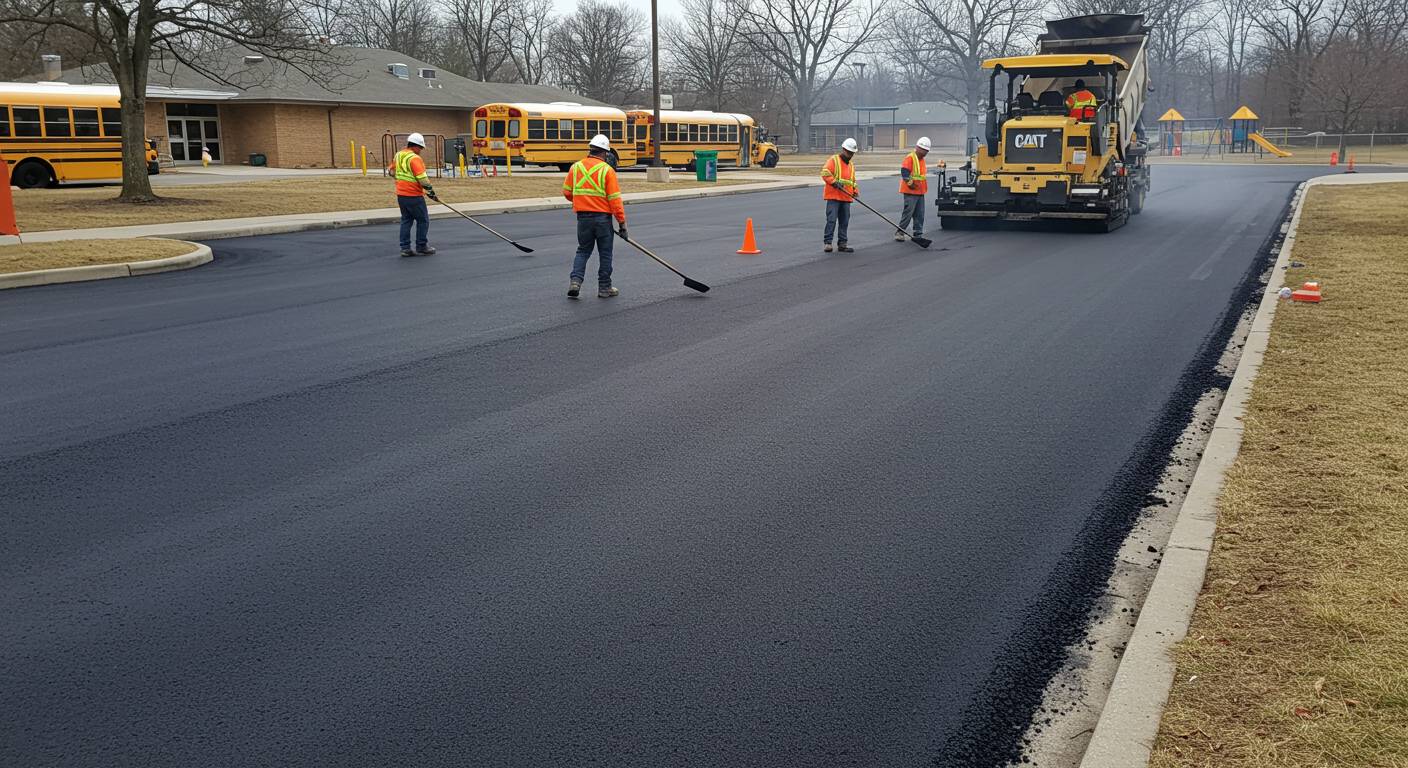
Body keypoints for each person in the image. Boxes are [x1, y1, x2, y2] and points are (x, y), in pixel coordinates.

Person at [562, 134, 626, 298]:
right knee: (605, 253)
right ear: (605, 153)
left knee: (583, 251)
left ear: (591, 150)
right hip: (602, 220)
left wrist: (582, 200)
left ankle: (575, 282)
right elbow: (615, 200)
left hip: (583, 219)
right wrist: (622, 224)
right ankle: (604, 288)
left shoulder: (576, 167)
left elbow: (567, 192)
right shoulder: (607, 170)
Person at [389, 132, 435, 257]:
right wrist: (430, 191)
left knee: (406, 220)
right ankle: (421, 246)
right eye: (420, 148)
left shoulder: (399, 155)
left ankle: (405, 248)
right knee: (423, 220)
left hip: (401, 194)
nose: (420, 150)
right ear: (415, 146)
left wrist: (401, 180)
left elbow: (391, 171)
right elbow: (422, 178)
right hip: (413, 195)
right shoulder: (414, 158)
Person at [820, 137, 859, 252]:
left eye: (852, 153)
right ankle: (828, 242)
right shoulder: (834, 160)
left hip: (846, 197)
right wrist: (834, 182)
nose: (850, 155)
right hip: (834, 197)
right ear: (843, 149)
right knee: (831, 220)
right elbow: (825, 173)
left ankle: (842, 243)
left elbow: (852, 180)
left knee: (844, 221)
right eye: (848, 152)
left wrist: (855, 191)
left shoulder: (851, 165)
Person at [896, 136, 930, 241]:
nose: (925, 153)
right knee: (908, 212)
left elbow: (920, 175)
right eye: (924, 150)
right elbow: (904, 172)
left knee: (920, 213)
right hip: (910, 191)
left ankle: (918, 234)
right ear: (918, 148)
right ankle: (900, 232)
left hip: (920, 191)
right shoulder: (910, 157)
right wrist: (910, 183)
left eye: (926, 151)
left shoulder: (922, 160)